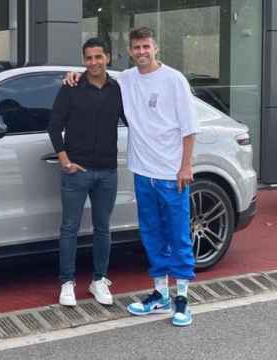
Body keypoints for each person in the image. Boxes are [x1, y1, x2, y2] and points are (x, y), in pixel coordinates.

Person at [64, 27, 199, 326]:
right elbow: (96, 70)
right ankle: (160, 294)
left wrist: (185, 166)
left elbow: (189, 129)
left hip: (171, 174)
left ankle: (183, 300)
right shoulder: (126, 79)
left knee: (177, 235)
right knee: (151, 235)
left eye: (145, 47)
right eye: (136, 47)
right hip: (143, 172)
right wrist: (74, 74)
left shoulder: (174, 80)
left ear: (156, 48)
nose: (141, 52)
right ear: (130, 50)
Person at [48, 37, 127, 307]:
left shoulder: (118, 89)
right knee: (69, 228)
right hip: (76, 171)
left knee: (103, 228)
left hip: (107, 171)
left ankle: (99, 280)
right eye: (88, 58)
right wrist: (65, 160)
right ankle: (67, 282)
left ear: (108, 58)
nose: (93, 62)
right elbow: (53, 126)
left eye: (98, 57)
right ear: (83, 60)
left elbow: (135, 121)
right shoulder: (71, 87)